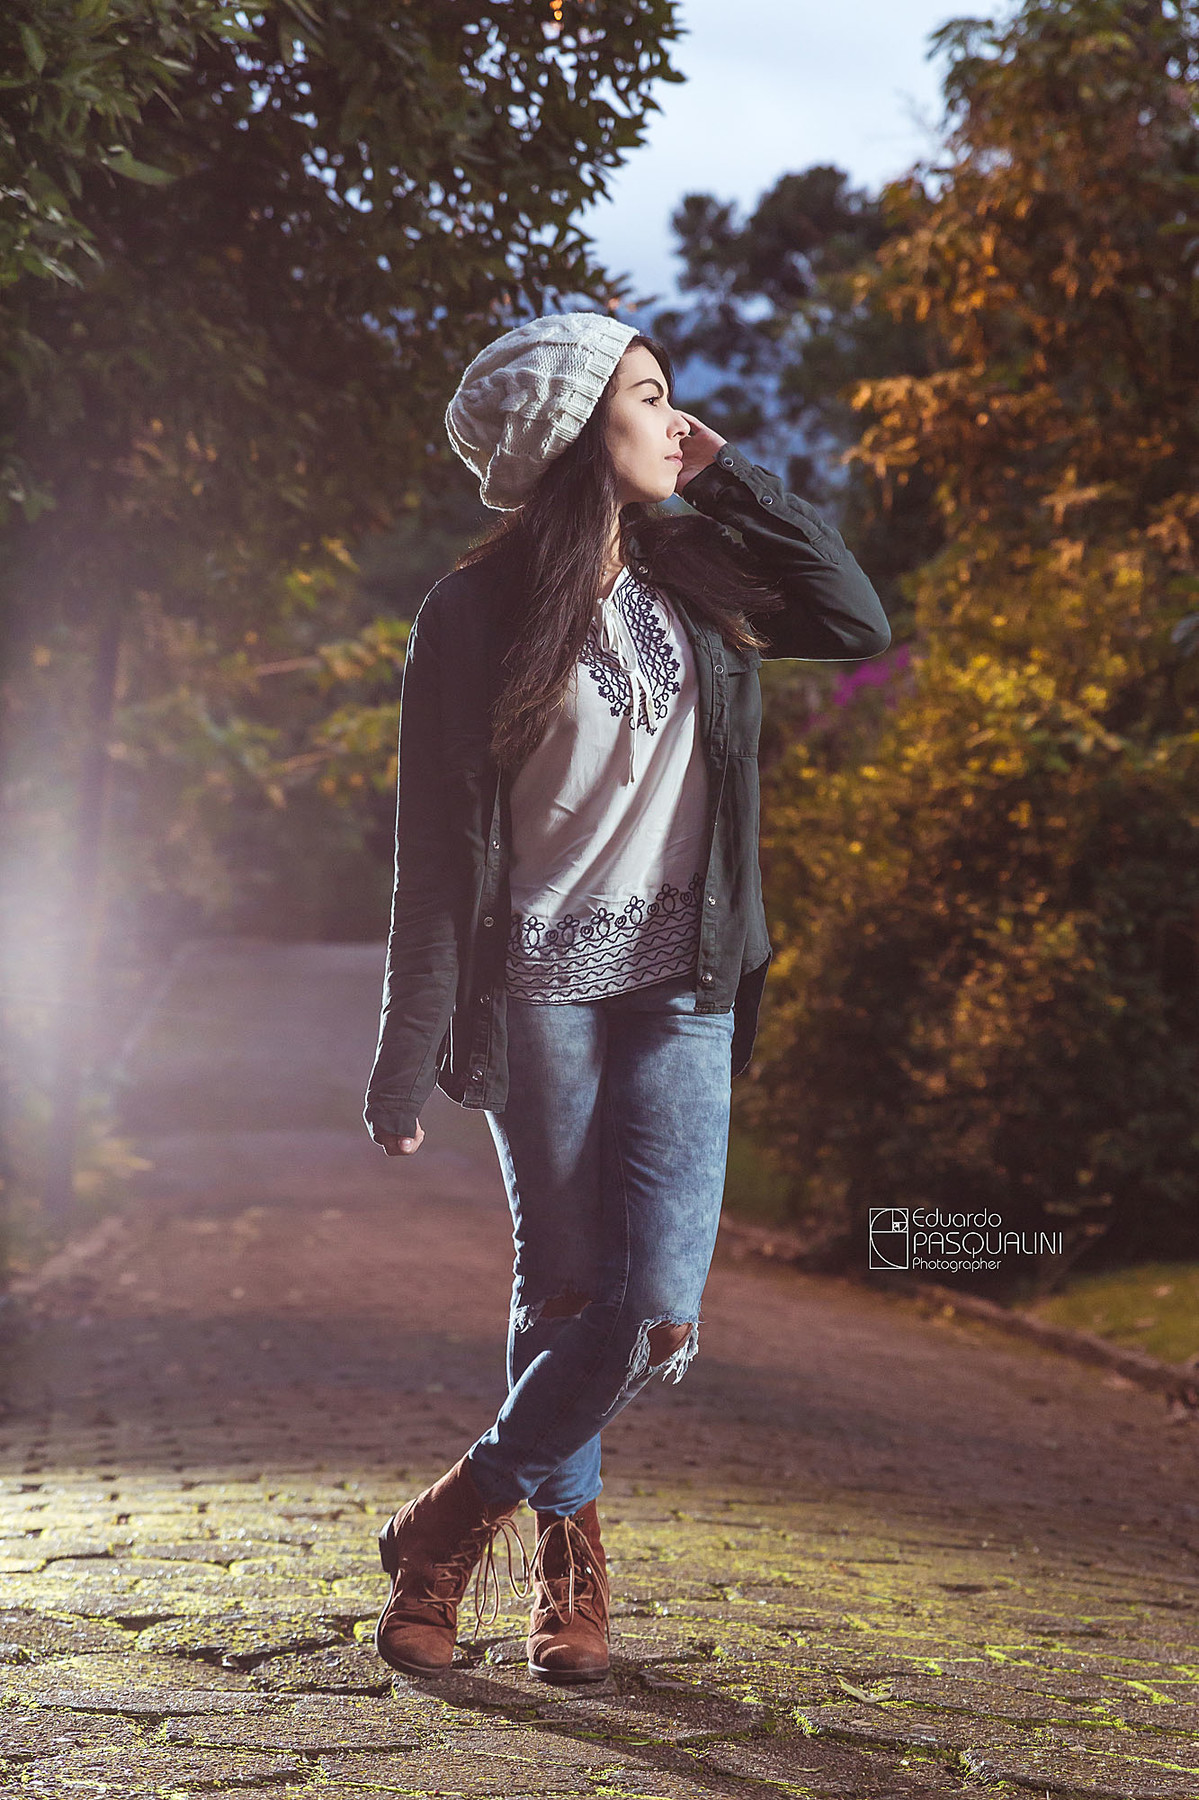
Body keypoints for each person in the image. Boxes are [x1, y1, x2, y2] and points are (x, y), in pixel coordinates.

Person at [363, 310, 890, 1685]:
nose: (675, 422)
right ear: (571, 434)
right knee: (571, 1289)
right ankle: (568, 1569)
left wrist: (727, 474)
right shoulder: (472, 612)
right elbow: (433, 847)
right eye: (649, 401)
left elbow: (853, 615)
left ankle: (449, 1519)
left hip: (686, 989)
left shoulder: (701, 578)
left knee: (655, 1303)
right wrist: (404, 1053)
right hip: (537, 993)